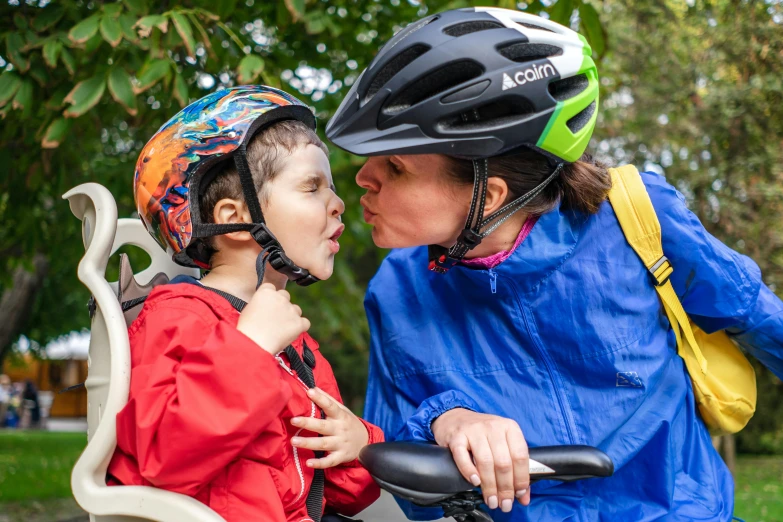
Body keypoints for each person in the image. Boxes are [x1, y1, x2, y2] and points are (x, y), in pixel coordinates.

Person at [326, 7, 783, 522]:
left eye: (394, 166)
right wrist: (445, 420)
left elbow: (761, 319)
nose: (362, 177)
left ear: (489, 194)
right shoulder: (395, 289)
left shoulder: (636, 217)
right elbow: (395, 468)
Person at [107, 86, 382, 522]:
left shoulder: (294, 340)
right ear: (234, 219)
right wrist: (249, 348)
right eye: (312, 187)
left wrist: (357, 443)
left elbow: (335, 493)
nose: (339, 204)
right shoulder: (177, 316)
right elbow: (162, 461)